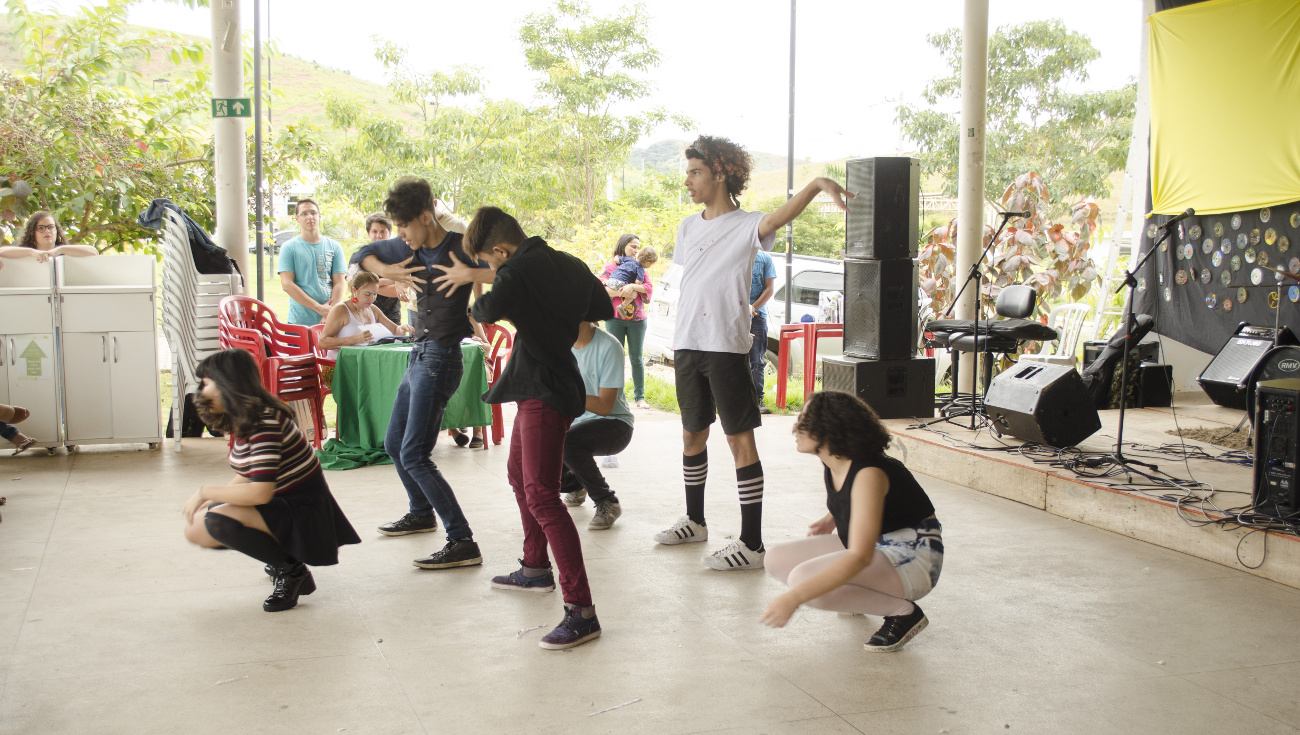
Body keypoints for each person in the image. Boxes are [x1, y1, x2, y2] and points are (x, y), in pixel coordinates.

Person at [653, 135, 851, 571]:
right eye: (688, 172)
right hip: (688, 343)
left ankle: (752, 544)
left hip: (725, 346)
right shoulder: (688, 226)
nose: (688, 181)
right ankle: (695, 521)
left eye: (695, 172)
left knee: (738, 440)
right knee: (691, 435)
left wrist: (817, 184)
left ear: (720, 173)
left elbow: (782, 214)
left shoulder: (748, 225)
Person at [464, 206, 613, 651]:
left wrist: (478, 280)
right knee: (519, 476)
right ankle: (534, 567)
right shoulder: (568, 263)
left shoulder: (517, 270)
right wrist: (549, 314)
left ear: (501, 250)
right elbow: (601, 306)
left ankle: (581, 611)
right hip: (546, 384)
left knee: (543, 496)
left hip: (546, 392)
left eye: (489, 262)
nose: (491, 269)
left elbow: (484, 310)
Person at [353, 177, 488, 570]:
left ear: (426, 217)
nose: (400, 235)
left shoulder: (461, 248)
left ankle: (462, 540)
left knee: (414, 453)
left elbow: (508, 271)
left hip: (441, 359)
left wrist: (471, 276)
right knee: (395, 443)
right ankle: (420, 512)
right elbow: (362, 254)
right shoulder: (409, 247)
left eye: (404, 227)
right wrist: (387, 270)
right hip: (419, 354)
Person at [760, 391, 942, 652]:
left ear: (831, 429)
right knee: (777, 559)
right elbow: (860, 501)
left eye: (806, 421)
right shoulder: (835, 463)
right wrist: (830, 518)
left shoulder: (869, 473)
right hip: (881, 545)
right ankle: (860, 598)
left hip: (914, 558)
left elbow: (859, 557)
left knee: (803, 580)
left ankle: (903, 613)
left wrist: (794, 598)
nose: (796, 428)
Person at [181, 349, 361, 612]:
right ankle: (279, 555)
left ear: (226, 384)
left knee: (218, 521)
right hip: (282, 502)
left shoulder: (265, 424)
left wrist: (206, 492)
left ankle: (292, 572)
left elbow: (259, 493)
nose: (201, 391)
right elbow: (248, 474)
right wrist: (213, 500)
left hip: (303, 510)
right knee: (199, 527)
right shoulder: (247, 417)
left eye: (206, 384)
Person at [560, 322, 634, 530]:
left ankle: (607, 501)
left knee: (567, 441)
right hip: (574, 423)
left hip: (615, 424)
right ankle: (578, 483)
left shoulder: (609, 346)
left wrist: (565, 393)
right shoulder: (561, 344)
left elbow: (604, 406)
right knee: (539, 463)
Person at [600, 234, 654, 409]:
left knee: (636, 359)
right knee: (616, 358)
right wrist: (624, 292)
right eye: (633, 246)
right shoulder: (609, 268)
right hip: (614, 319)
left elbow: (648, 290)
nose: (636, 250)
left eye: (638, 247)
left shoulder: (641, 269)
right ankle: (617, 397)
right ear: (623, 246)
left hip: (637, 321)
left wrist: (633, 286)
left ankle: (640, 398)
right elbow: (601, 289)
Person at [278, 199, 347, 327]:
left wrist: (329, 312)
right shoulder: (289, 248)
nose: (309, 217)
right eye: (304, 214)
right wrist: (318, 308)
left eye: (313, 213)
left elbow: (339, 282)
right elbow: (287, 284)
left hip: (328, 321)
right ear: (297, 218)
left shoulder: (334, 247)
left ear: (319, 216)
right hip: (299, 321)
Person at [316, 271, 412, 359]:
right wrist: (353, 339)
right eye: (367, 294)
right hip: (340, 364)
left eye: (375, 294)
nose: (372, 299)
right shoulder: (341, 309)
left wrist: (402, 329)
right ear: (354, 291)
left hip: (366, 362)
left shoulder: (373, 309)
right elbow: (323, 342)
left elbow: (395, 330)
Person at [346, 212, 403, 326]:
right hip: (361, 316)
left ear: (390, 233)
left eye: (383, 231)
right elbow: (351, 284)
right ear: (368, 233)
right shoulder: (358, 257)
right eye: (374, 231)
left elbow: (398, 290)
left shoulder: (398, 258)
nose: (379, 235)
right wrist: (385, 282)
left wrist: (365, 289)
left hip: (391, 318)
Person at [0, 211, 98, 262]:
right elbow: (1, 251)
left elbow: (94, 252)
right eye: (41, 228)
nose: (47, 231)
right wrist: (32, 252)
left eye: (50, 227)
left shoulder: (65, 252)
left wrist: (60, 250)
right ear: (32, 232)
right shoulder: (25, 254)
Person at [749, 248, 777, 414]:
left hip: (757, 317)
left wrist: (752, 307)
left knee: (756, 361)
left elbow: (769, 289)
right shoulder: (734, 254)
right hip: (733, 316)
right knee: (730, 359)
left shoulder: (765, 258)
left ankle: (757, 400)